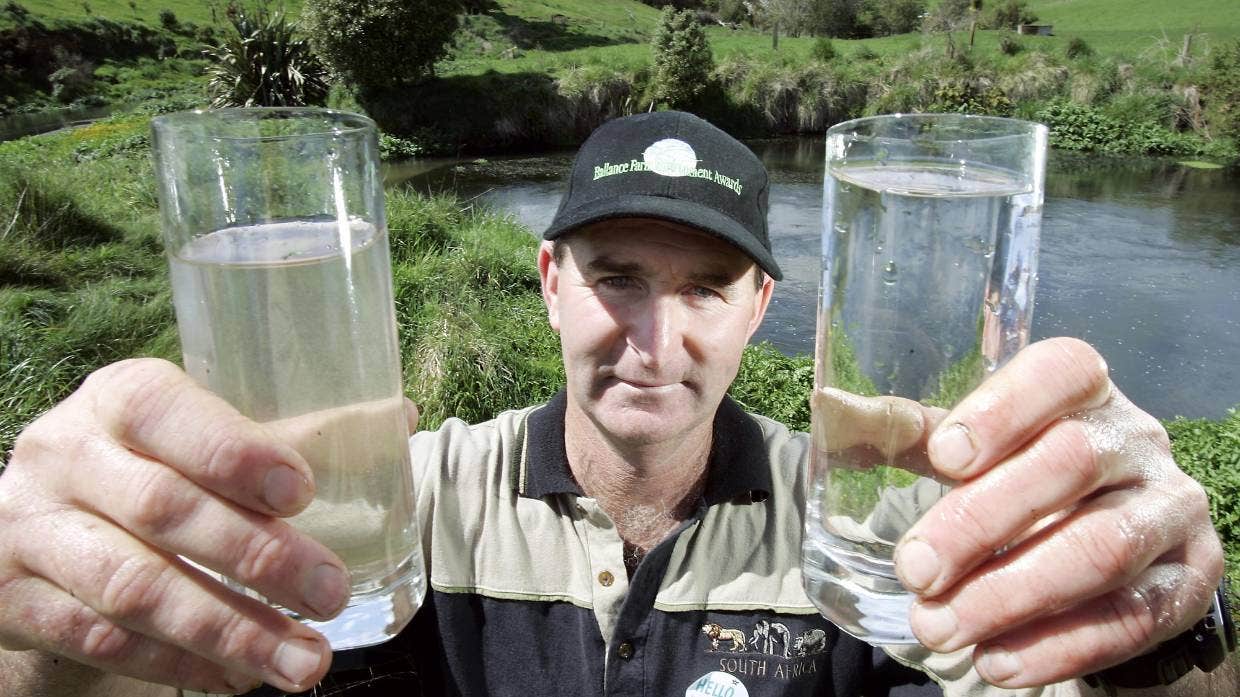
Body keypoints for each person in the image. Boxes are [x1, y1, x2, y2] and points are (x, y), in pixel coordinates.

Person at [0, 111, 1232, 697]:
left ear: (762, 306)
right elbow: (121, 670)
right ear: (547, 284)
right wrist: (41, 607)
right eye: (615, 279)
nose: (655, 339)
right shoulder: (401, 501)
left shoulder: (881, 523)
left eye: (704, 289)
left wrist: (1160, 618)